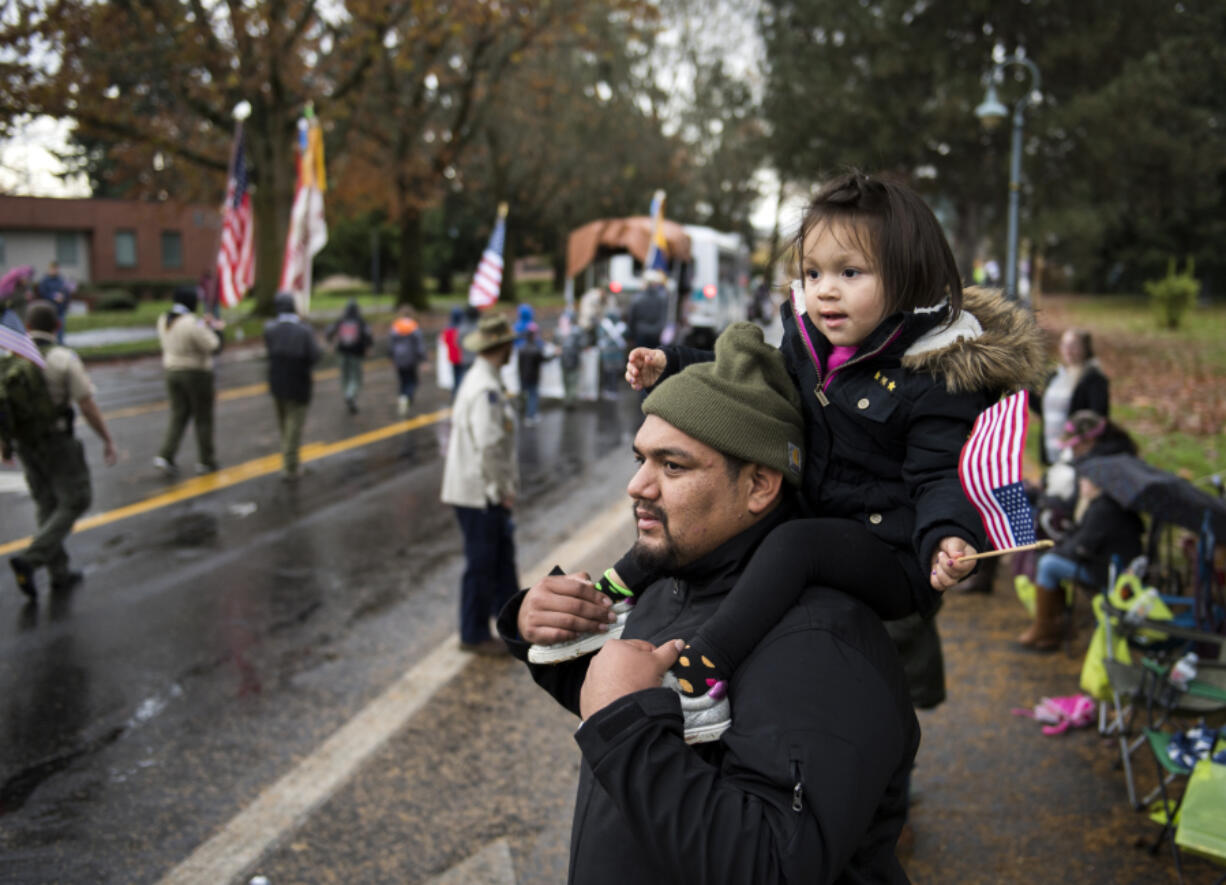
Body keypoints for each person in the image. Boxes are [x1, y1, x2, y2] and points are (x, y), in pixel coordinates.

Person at [536, 171, 1045, 739]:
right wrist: (675, 363)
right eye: (813, 272)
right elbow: (759, 378)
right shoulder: (809, 341)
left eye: (850, 273)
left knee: (794, 542)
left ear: (907, 279)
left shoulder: (935, 374)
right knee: (707, 513)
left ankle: (702, 676)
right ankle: (613, 597)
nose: (826, 289)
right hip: (816, 509)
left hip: (889, 552)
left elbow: (940, 476)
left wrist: (949, 538)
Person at [499, 323, 918, 882]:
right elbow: (624, 705)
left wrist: (625, 727)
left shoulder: (820, 643)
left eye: (673, 467)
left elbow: (775, 864)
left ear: (760, 486)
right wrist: (536, 628)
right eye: (640, 460)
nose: (638, 486)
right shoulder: (672, 579)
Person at [3, 301, 117, 600]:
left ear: (27, 328)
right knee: (77, 498)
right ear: (58, 326)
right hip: (58, 442)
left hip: (27, 444)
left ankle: (60, 573)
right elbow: (86, 404)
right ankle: (31, 558)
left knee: (46, 503)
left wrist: (5, 444)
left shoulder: (12, 358)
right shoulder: (63, 358)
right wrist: (106, 438)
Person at [440, 313, 520, 655]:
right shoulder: (485, 387)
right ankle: (473, 635)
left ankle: (511, 625)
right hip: (479, 492)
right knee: (483, 564)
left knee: (501, 560)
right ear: (502, 347)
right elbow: (489, 447)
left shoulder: (480, 378)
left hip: (477, 489)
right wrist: (502, 491)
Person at [1021, 470, 1144, 651]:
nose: (1081, 485)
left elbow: (1082, 546)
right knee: (1050, 560)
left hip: (1105, 571)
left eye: (1085, 481)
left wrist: (1058, 550)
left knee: (1048, 564)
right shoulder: (1106, 504)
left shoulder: (1103, 509)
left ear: (1096, 484)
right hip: (1107, 563)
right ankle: (1056, 623)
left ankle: (1045, 627)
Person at [154, 286, 224, 476]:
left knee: (179, 415)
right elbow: (213, 345)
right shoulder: (192, 323)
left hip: (172, 371)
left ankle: (166, 454)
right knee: (203, 417)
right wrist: (216, 329)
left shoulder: (164, 319)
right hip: (196, 373)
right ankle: (206, 460)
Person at [264, 291, 321, 480]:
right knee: (293, 426)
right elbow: (314, 355)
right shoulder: (303, 330)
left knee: (285, 425)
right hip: (298, 383)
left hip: (277, 382)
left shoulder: (270, 329)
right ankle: (290, 466)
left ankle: (291, 460)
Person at [1033, 327, 1110, 466]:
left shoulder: (1093, 378)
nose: (1068, 350)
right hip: (1052, 450)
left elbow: (1096, 418)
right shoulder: (1055, 376)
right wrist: (1024, 391)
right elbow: (1044, 411)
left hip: (1078, 453)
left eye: (1074, 345)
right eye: (1064, 344)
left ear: (1085, 348)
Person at [325, 298, 373, 414]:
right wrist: (368, 347)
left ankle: (347, 392)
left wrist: (331, 343)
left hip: (342, 352)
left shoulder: (342, 320)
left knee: (345, 376)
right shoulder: (360, 321)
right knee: (355, 377)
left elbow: (329, 331)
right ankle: (350, 394)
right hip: (356, 353)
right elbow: (368, 335)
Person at [388, 305, 426, 416]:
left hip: (398, 358)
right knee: (412, 380)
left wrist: (391, 356)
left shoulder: (395, 326)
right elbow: (419, 345)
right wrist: (423, 358)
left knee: (402, 379)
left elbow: (391, 344)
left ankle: (402, 396)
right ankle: (407, 396)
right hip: (411, 358)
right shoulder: (414, 327)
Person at [516, 323, 552, 425]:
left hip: (523, 376)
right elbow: (544, 359)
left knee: (526, 396)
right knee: (532, 396)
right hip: (533, 377)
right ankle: (530, 415)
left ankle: (526, 414)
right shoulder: (536, 349)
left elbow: (519, 365)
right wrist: (555, 355)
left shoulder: (521, 348)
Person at [625, 271, 669, 349]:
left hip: (640, 333)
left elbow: (631, 318)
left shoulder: (637, 298)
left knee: (641, 357)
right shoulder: (662, 298)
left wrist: (630, 334)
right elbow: (663, 317)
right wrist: (660, 330)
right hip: (655, 334)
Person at [555, 308, 584, 409]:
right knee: (573, 382)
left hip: (563, 360)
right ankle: (570, 401)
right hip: (574, 360)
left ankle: (567, 400)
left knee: (566, 381)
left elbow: (556, 344)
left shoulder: (559, 331)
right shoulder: (577, 331)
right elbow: (582, 344)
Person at [36, 261, 71, 343]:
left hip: (60, 309)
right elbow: (42, 293)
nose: (54, 271)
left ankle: (60, 343)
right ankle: (47, 344)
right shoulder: (45, 281)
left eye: (56, 269)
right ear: (49, 269)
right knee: (48, 328)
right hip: (49, 309)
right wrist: (53, 297)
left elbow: (66, 292)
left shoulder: (61, 280)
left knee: (60, 327)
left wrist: (64, 298)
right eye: (53, 269)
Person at [439, 306, 465, 400]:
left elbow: (445, 341)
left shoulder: (448, 330)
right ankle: (459, 393)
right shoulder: (462, 329)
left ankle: (455, 392)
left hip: (452, 356)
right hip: (461, 356)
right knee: (461, 375)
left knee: (455, 375)